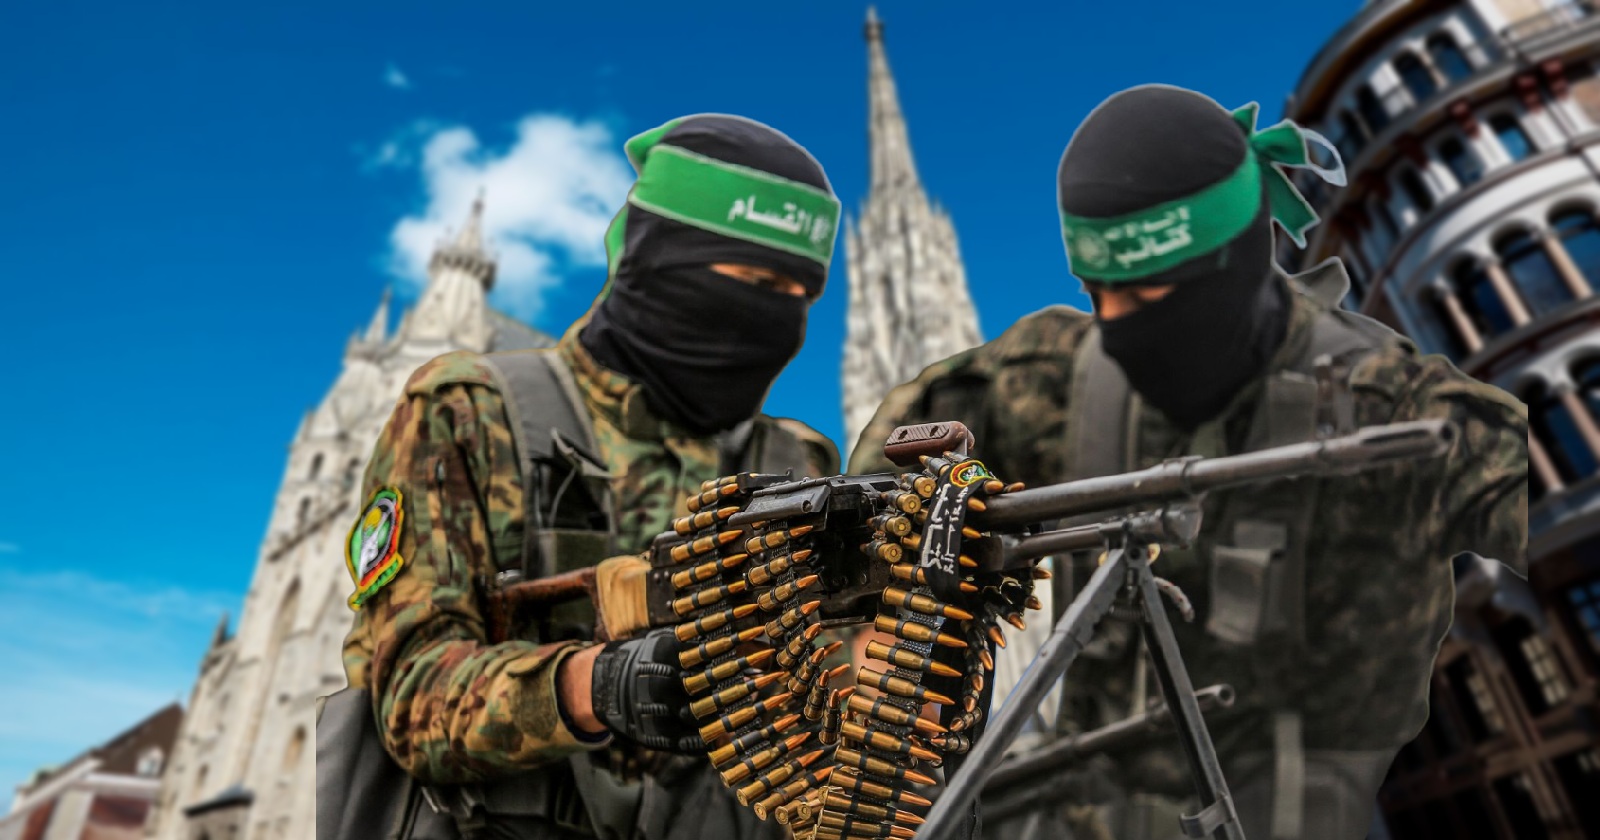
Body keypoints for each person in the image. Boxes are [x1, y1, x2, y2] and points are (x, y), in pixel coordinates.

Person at [847, 85, 1529, 840]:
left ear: (1237, 263)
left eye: (1152, 293)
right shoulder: (1053, 373)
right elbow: (878, 477)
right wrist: (874, 604)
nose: (1118, 323)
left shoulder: (1392, 402)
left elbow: (1528, 484)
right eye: (1099, 293)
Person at [334, 113, 842, 840]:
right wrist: (595, 686)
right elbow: (409, 698)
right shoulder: (471, 412)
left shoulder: (798, 464)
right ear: (662, 261)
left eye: (798, 294)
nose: (775, 314)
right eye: (751, 281)